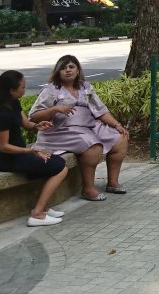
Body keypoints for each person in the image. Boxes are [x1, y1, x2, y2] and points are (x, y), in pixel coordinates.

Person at [29, 54, 128, 202]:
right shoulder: (51, 90)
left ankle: (112, 183)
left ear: (77, 70)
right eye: (63, 68)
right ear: (58, 72)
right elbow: (34, 116)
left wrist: (117, 125)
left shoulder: (86, 87)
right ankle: (87, 189)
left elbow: (100, 110)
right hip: (61, 130)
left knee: (120, 138)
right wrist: (54, 110)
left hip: (89, 126)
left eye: (71, 67)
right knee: (93, 146)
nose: (67, 70)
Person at [0, 70, 68, 227]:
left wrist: (38, 125)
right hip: (9, 159)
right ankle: (37, 214)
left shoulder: (14, 102)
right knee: (61, 167)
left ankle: (44, 208)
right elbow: (4, 147)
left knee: (53, 163)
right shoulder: (2, 114)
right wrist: (31, 151)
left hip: (21, 154)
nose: (24, 90)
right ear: (11, 90)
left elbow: (25, 123)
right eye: (22, 87)